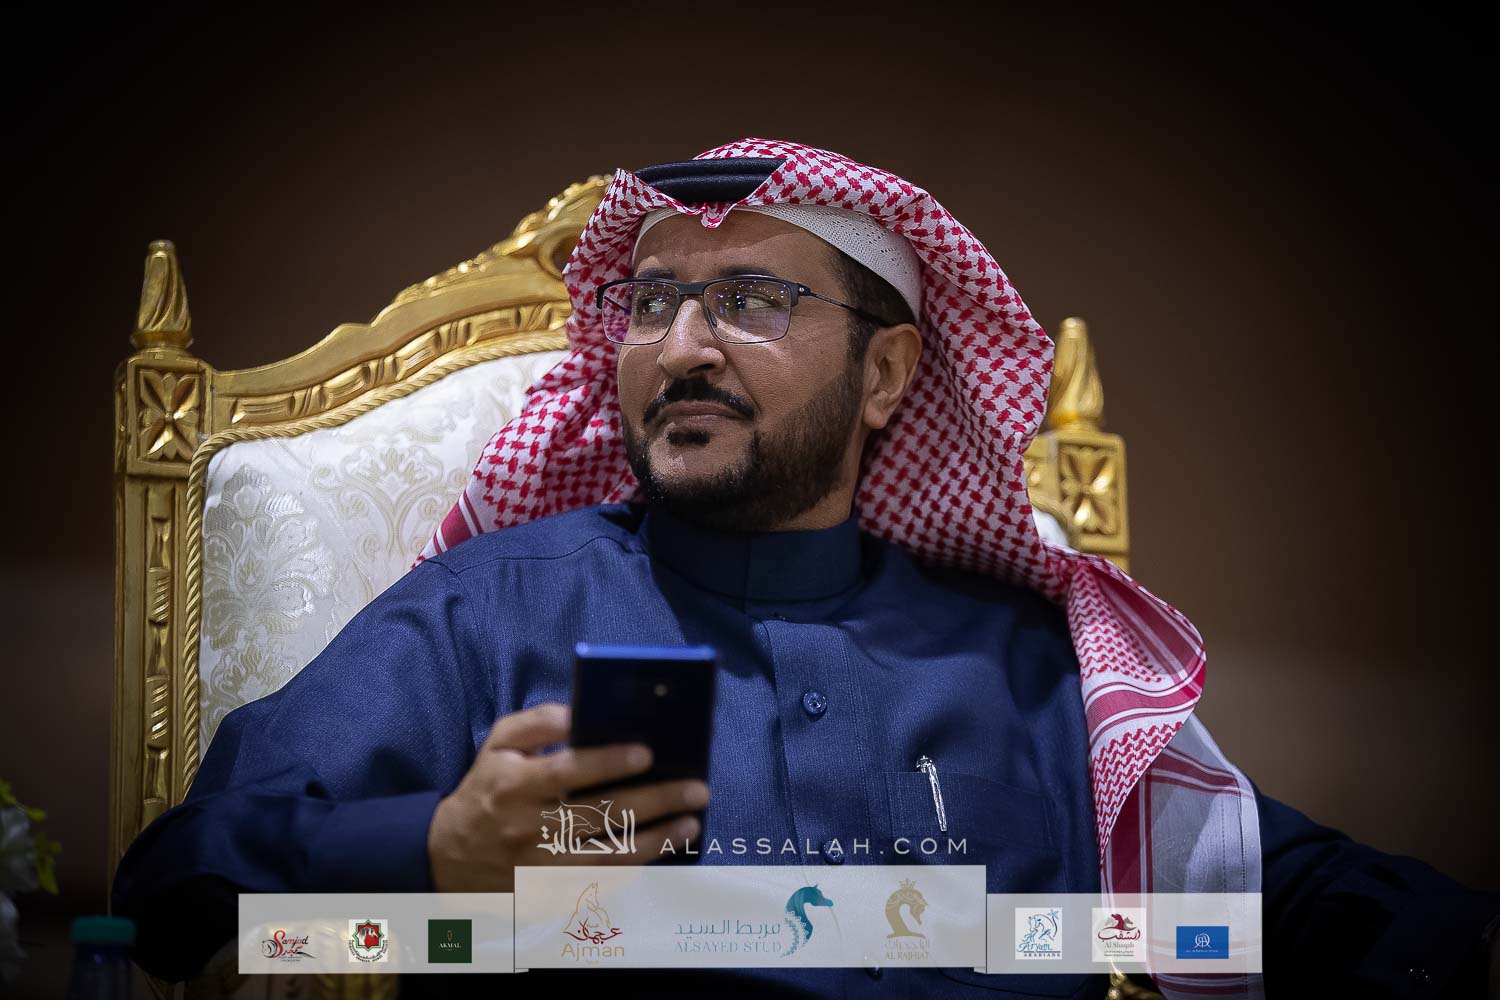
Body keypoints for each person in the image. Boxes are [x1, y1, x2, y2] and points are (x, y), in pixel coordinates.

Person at [111, 139, 1500, 999]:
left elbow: (1290, 900)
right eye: (655, 301)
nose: (682, 346)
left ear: (888, 374)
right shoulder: (495, 611)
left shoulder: (1026, 658)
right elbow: (173, 884)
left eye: (752, 301)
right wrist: (436, 853)